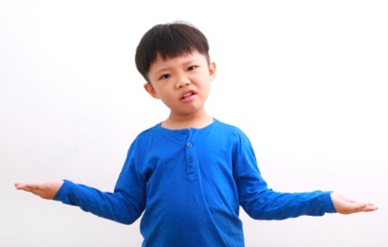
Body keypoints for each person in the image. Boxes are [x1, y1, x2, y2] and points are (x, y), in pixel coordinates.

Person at [15, 21, 378, 247]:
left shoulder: (233, 139)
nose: (182, 80)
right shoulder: (145, 144)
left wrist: (327, 200)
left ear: (211, 69)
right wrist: (64, 191)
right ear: (152, 90)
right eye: (166, 75)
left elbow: (260, 203)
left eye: (190, 67)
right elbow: (125, 208)